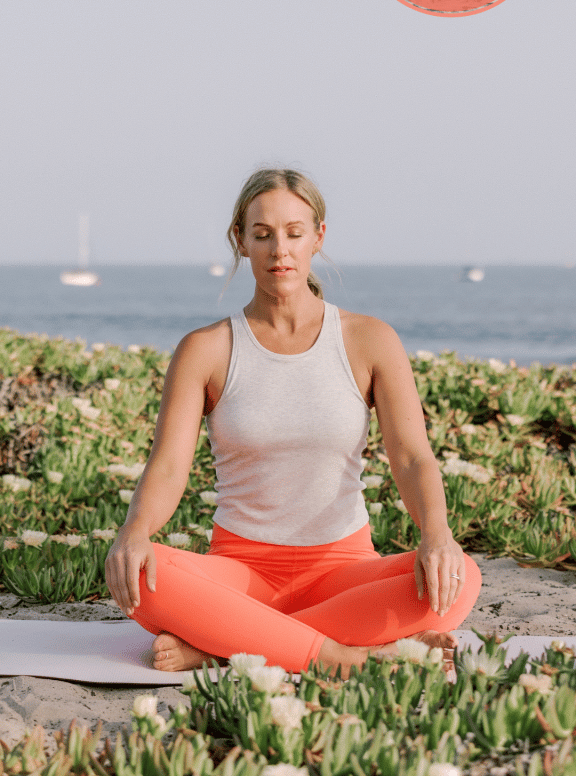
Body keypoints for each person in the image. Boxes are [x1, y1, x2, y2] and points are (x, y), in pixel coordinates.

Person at [105, 167, 481, 678]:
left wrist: (437, 534)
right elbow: (169, 468)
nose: (279, 249)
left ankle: (225, 644)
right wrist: (135, 532)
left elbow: (412, 457)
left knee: (463, 577)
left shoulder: (370, 340)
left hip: (343, 572)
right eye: (261, 235)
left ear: (318, 237)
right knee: (144, 577)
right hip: (239, 572)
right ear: (240, 241)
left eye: (294, 233)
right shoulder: (206, 349)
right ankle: (342, 658)